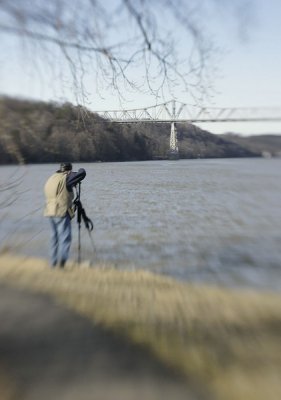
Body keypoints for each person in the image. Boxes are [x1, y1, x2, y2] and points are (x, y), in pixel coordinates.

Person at [44, 162, 86, 268]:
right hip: (61, 211)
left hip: (50, 211)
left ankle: (53, 263)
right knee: (65, 237)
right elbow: (82, 173)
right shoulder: (66, 177)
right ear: (69, 171)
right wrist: (77, 170)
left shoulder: (52, 177)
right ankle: (62, 263)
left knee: (55, 238)